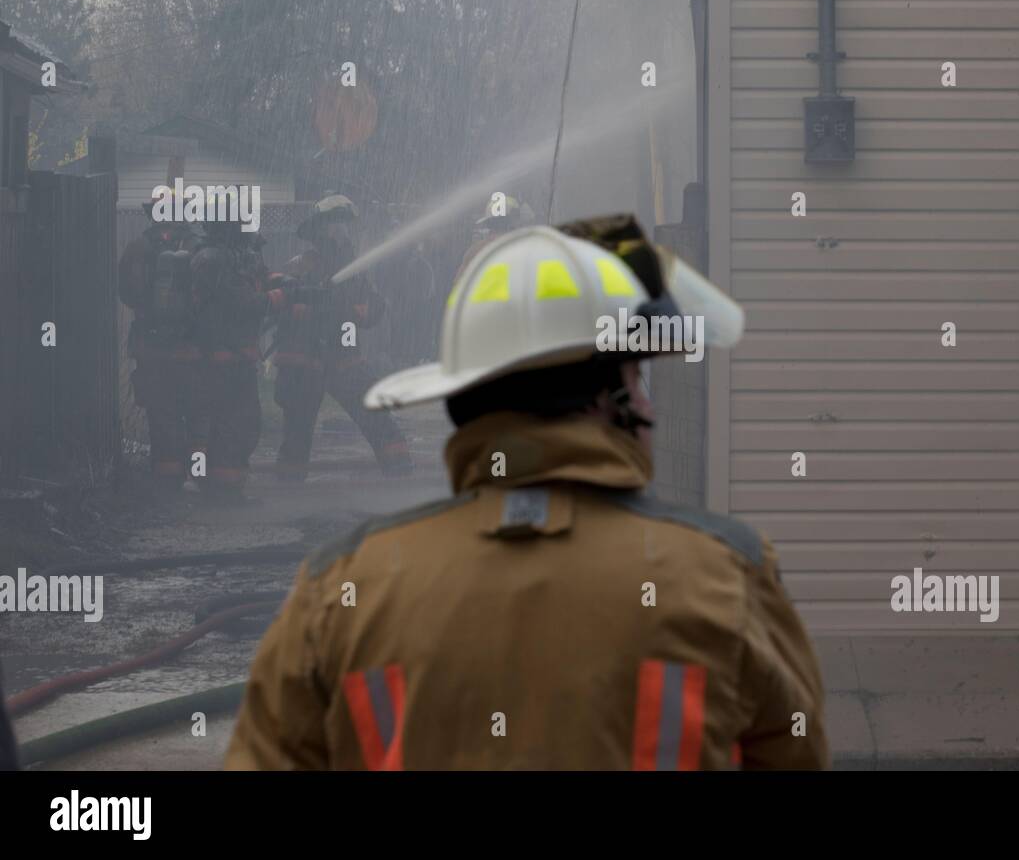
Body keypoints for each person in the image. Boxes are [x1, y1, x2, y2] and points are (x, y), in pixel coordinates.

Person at [226, 215, 828, 770]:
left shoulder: (337, 597)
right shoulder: (728, 579)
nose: (646, 404)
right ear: (605, 398)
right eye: (634, 378)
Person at [272, 195, 413, 480]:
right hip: (305, 359)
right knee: (297, 429)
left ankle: (399, 471)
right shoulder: (301, 266)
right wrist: (317, 302)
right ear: (321, 229)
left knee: (374, 411)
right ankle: (289, 487)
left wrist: (371, 305)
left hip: (342, 356)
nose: (344, 233)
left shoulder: (353, 271)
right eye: (337, 226)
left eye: (346, 226)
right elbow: (285, 307)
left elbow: (368, 313)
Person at [189, 210, 291, 501]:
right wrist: (283, 297)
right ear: (230, 228)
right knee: (237, 425)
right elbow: (243, 303)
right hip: (222, 357)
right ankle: (224, 491)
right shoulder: (214, 260)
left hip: (232, 356)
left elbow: (259, 275)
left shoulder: (228, 256)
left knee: (234, 425)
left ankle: (220, 487)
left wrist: (283, 281)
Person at [117, 191, 205, 494]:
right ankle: (199, 476)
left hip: (151, 347)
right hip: (190, 346)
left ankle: (166, 481)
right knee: (195, 412)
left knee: (161, 411)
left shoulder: (138, 247)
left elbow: (127, 293)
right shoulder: (196, 246)